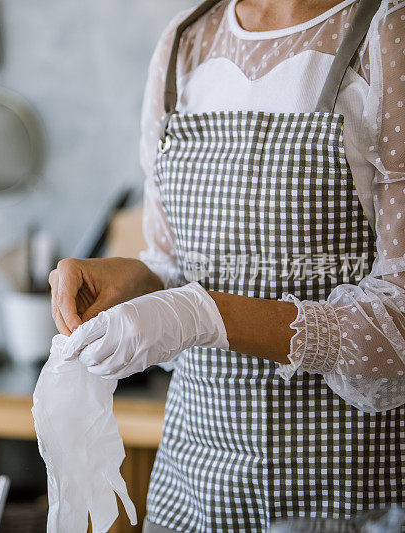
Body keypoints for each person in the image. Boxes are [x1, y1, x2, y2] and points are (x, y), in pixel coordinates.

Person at [50, 0, 405, 531]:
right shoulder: (184, 42)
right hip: (197, 486)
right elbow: (173, 263)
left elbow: (398, 319)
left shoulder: (386, 33)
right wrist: (132, 282)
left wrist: (200, 315)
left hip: (343, 491)